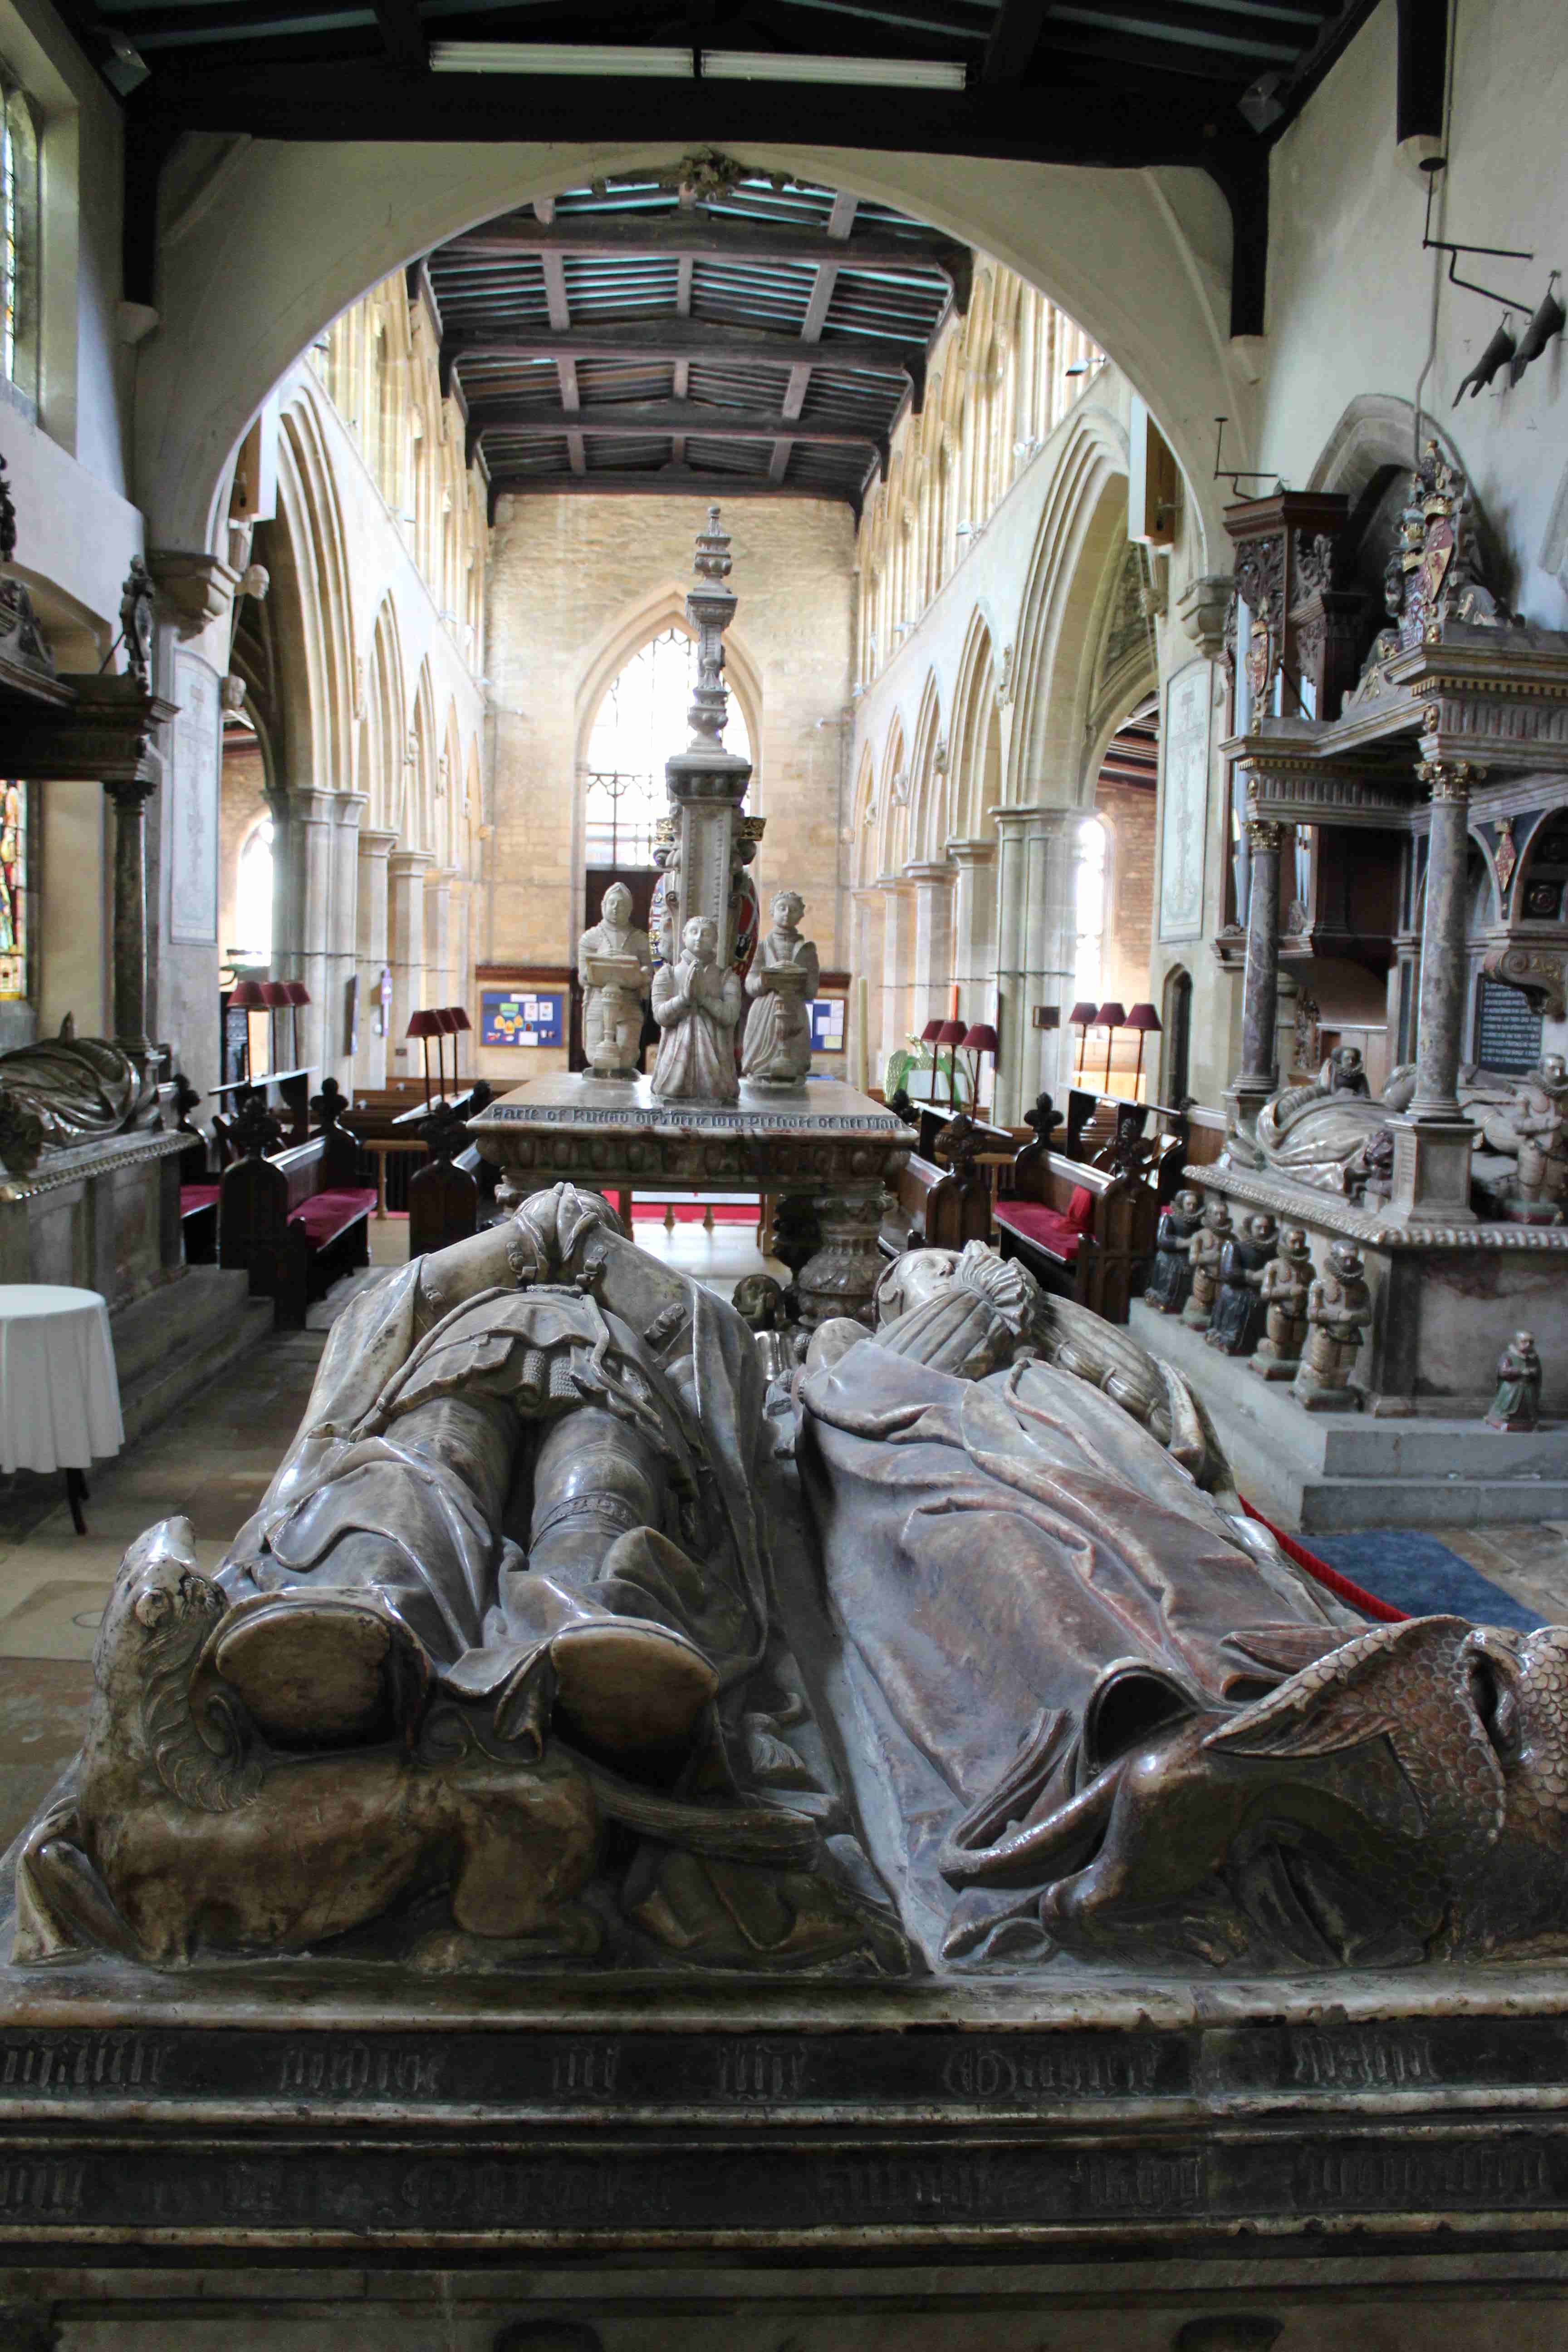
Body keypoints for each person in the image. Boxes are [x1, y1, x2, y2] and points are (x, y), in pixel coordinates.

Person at [650, 915, 744, 1103]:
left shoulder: (727, 977)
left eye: (706, 934)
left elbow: (731, 1016)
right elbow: (660, 1016)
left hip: (717, 1078)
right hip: (673, 1075)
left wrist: (705, 999)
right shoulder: (667, 974)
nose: (699, 937)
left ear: (716, 940)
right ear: (684, 936)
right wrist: (684, 999)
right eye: (694, 932)